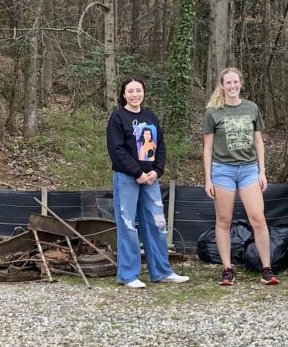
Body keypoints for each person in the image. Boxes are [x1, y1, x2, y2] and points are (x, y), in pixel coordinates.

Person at [106, 77, 189, 288]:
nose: (135, 95)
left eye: (139, 90)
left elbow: (160, 145)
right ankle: (128, 275)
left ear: (144, 93)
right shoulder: (117, 117)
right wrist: (136, 172)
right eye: (131, 91)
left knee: (156, 224)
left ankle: (162, 271)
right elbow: (117, 150)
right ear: (124, 94)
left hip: (150, 179)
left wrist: (157, 170)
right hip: (127, 178)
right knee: (127, 226)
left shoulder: (150, 116)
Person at [202, 67, 278, 286]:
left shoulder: (251, 108)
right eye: (228, 83)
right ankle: (227, 269)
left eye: (236, 82)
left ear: (241, 84)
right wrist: (208, 178)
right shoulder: (213, 112)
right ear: (222, 85)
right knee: (224, 220)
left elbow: (259, 142)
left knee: (258, 218)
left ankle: (267, 269)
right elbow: (207, 149)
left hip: (248, 170)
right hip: (222, 170)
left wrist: (262, 171)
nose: (232, 86)